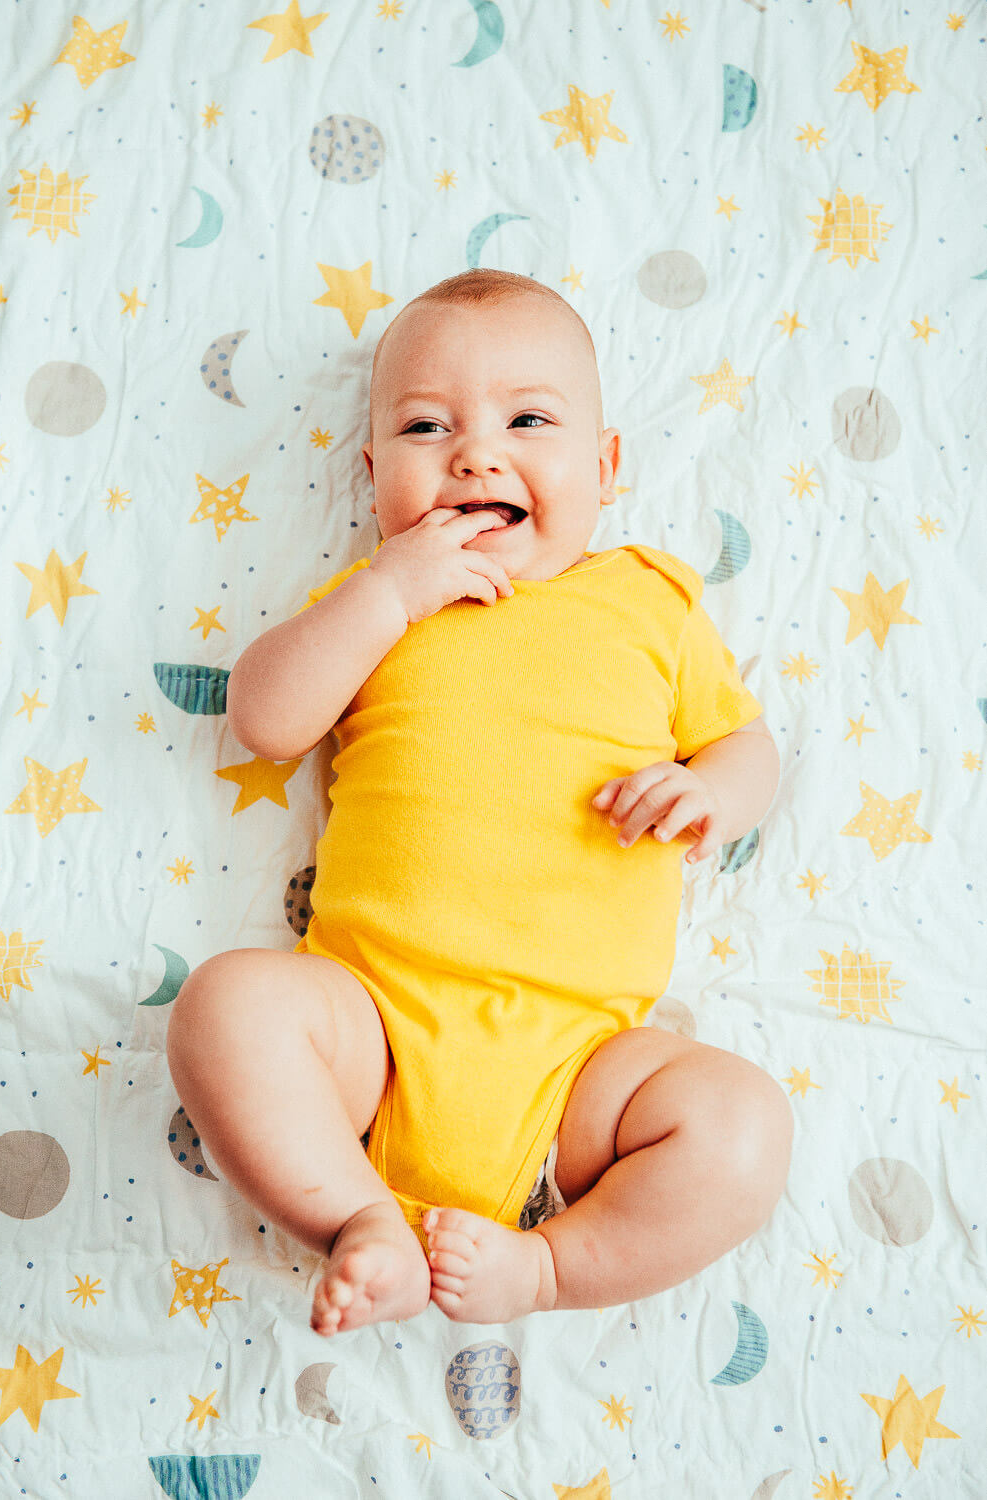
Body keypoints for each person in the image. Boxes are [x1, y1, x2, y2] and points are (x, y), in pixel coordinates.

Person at [166, 268, 793, 1337]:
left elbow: (746, 745)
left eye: (528, 419)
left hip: (577, 1071)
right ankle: (358, 1221)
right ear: (372, 475)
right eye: (424, 426)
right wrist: (388, 592)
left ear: (602, 468)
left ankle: (545, 1269)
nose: (475, 452)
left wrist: (707, 794)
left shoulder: (645, 600)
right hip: (372, 1025)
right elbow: (266, 718)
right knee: (223, 1007)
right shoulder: (376, 601)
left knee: (741, 1127)